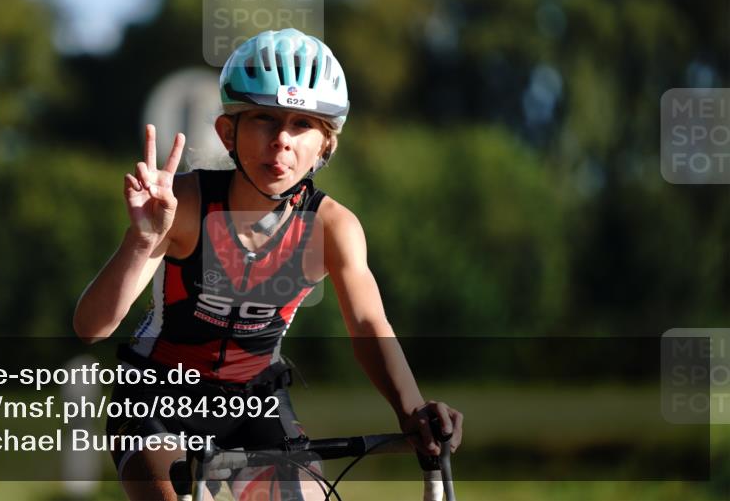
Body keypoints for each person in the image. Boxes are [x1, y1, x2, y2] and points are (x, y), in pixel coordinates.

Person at [74, 28, 463, 501]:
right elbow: (90, 327)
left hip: (256, 403)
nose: (281, 140)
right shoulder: (186, 203)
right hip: (158, 397)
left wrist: (413, 412)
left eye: (303, 124)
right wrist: (142, 240)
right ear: (227, 132)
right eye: (264, 119)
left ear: (326, 145)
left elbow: (367, 325)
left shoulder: (333, 227)